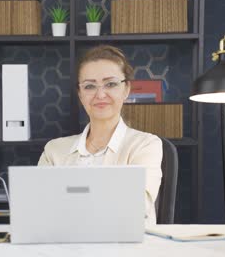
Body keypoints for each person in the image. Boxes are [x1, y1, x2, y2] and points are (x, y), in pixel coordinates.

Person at [38, 45, 163, 225]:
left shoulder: (145, 145)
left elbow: (135, 209)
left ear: (126, 89)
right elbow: (41, 211)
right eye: (89, 86)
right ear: (80, 95)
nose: (100, 94)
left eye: (110, 84)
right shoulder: (54, 150)